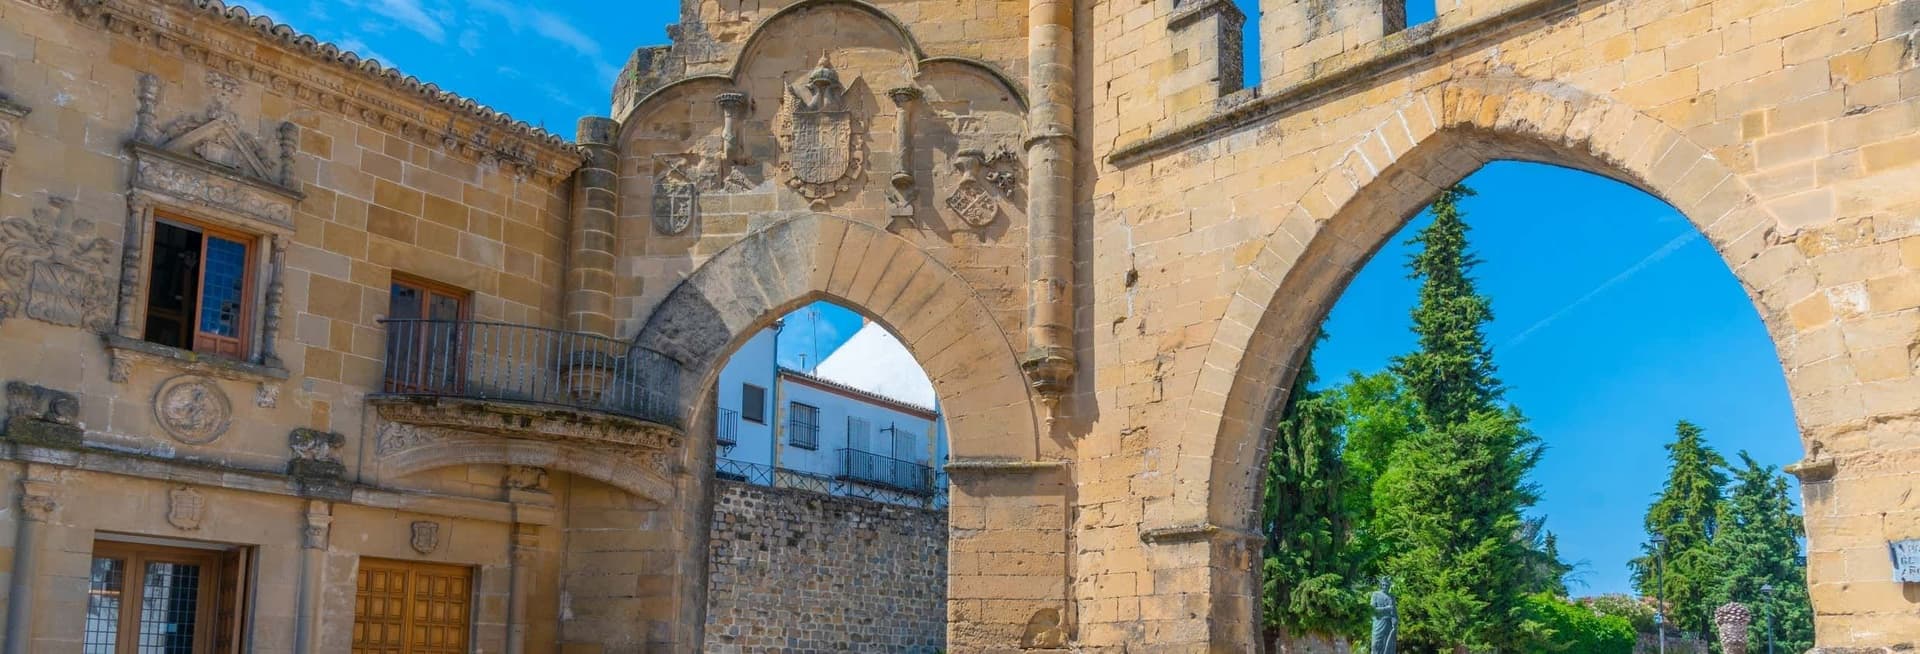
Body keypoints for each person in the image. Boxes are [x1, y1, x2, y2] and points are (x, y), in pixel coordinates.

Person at [1370, 576, 1398, 654]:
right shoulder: (1375, 594)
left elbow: (1394, 611)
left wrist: (1395, 619)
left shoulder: (1391, 597)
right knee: (1376, 643)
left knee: (1388, 644)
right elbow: (1372, 610)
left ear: (1389, 586)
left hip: (1388, 624)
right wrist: (1386, 608)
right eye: (1383, 585)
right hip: (1378, 622)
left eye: (1387, 585)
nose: (1385, 587)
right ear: (1381, 585)